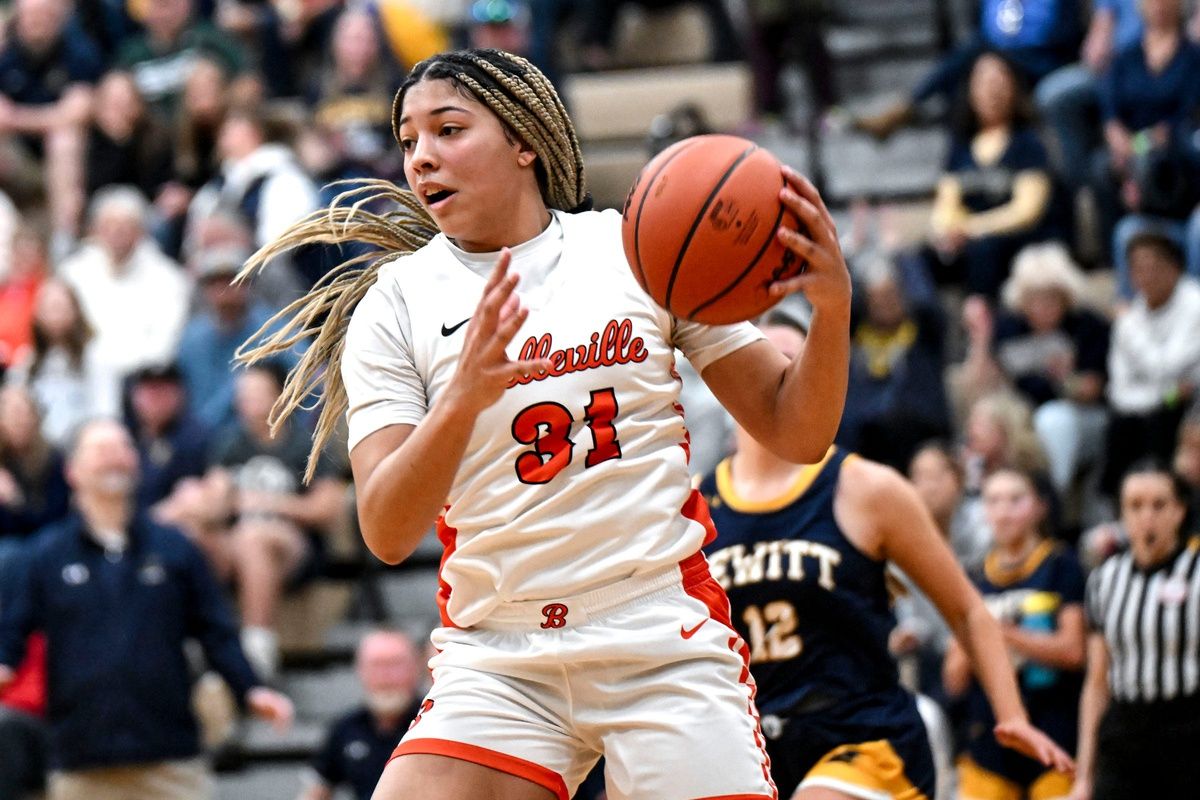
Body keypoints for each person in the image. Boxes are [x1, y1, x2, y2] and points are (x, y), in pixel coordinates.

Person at [238, 47, 852, 800]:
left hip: (656, 630)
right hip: (500, 652)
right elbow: (389, 530)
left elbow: (796, 432)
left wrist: (832, 313)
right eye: (408, 141)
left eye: (448, 130)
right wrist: (462, 398)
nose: (422, 157)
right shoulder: (394, 303)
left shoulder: (636, 249)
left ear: (524, 139)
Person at [699, 317, 1072, 800]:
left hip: (859, 732)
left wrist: (1012, 715)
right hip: (749, 740)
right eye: (755, 360)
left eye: (788, 362)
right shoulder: (695, 502)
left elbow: (966, 608)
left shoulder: (866, 487)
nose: (772, 374)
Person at [0, 418, 293, 800]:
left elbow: (216, 631)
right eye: (101, 450)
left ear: (136, 462)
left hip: (171, 759)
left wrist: (252, 688)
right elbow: (12, 636)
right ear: (72, 471)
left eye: (122, 448)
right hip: (80, 762)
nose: (114, 459)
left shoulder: (176, 548)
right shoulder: (45, 555)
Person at [945, 467, 1086, 799]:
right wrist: (972, 632)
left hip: (1055, 735)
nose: (1003, 511)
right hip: (988, 740)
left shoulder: (1061, 564)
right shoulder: (972, 578)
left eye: (1015, 500)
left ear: (1040, 506)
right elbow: (954, 679)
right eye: (993, 501)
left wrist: (999, 632)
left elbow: (1073, 651)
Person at [205, 361, 348, 678]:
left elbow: (327, 509)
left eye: (256, 394)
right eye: (243, 395)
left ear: (281, 395)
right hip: (238, 539)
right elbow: (214, 499)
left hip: (293, 545)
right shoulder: (228, 443)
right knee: (200, 540)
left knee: (254, 537)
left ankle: (257, 646)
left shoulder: (306, 443)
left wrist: (269, 503)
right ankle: (200, 638)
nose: (247, 402)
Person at [1070, 462, 1200, 799]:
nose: (1147, 517)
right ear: (1122, 515)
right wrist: (1084, 776)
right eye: (1135, 506)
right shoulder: (1104, 580)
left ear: (1180, 511)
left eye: (1159, 505)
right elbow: (1097, 681)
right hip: (1124, 730)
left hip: (1187, 728)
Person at [926, 52, 1060, 301]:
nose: (992, 92)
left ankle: (985, 323)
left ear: (1014, 90)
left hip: (1020, 240)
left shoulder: (1028, 143)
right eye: (984, 84)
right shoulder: (960, 145)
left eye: (999, 83)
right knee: (926, 257)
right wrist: (944, 230)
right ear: (971, 91)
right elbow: (946, 202)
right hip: (971, 237)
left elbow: (1026, 212)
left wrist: (971, 229)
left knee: (984, 250)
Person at [58, 187, 191, 382]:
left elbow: (165, 344)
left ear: (141, 231)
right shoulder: (73, 273)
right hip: (82, 377)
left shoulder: (168, 278)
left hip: (143, 380)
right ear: (94, 229)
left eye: (125, 225)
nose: (116, 232)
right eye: (108, 224)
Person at [1104, 230, 1200, 493]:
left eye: (1154, 267)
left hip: (1189, 397)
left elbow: (1167, 366)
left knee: (1161, 417)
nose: (1146, 276)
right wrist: (1155, 398)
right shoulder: (1131, 316)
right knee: (1121, 421)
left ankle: (1170, 496)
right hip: (1161, 397)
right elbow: (1118, 388)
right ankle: (1122, 506)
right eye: (1137, 268)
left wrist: (1128, 329)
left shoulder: (1194, 304)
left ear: (1175, 268)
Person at [300, 631, 425, 800]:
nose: (385, 677)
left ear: (417, 668)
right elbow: (316, 791)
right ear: (360, 670)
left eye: (395, 664)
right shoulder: (345, 728)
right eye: (376, 665)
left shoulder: (434, 723)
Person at [4, 279, 121, 448]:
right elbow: (12, 406)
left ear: (75, 310)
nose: (54, 315)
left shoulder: (96, 357)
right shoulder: (27, 361)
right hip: (38, 450)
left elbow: (107, 412)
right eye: (48, 308)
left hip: (84, 446)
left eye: (59, 307)